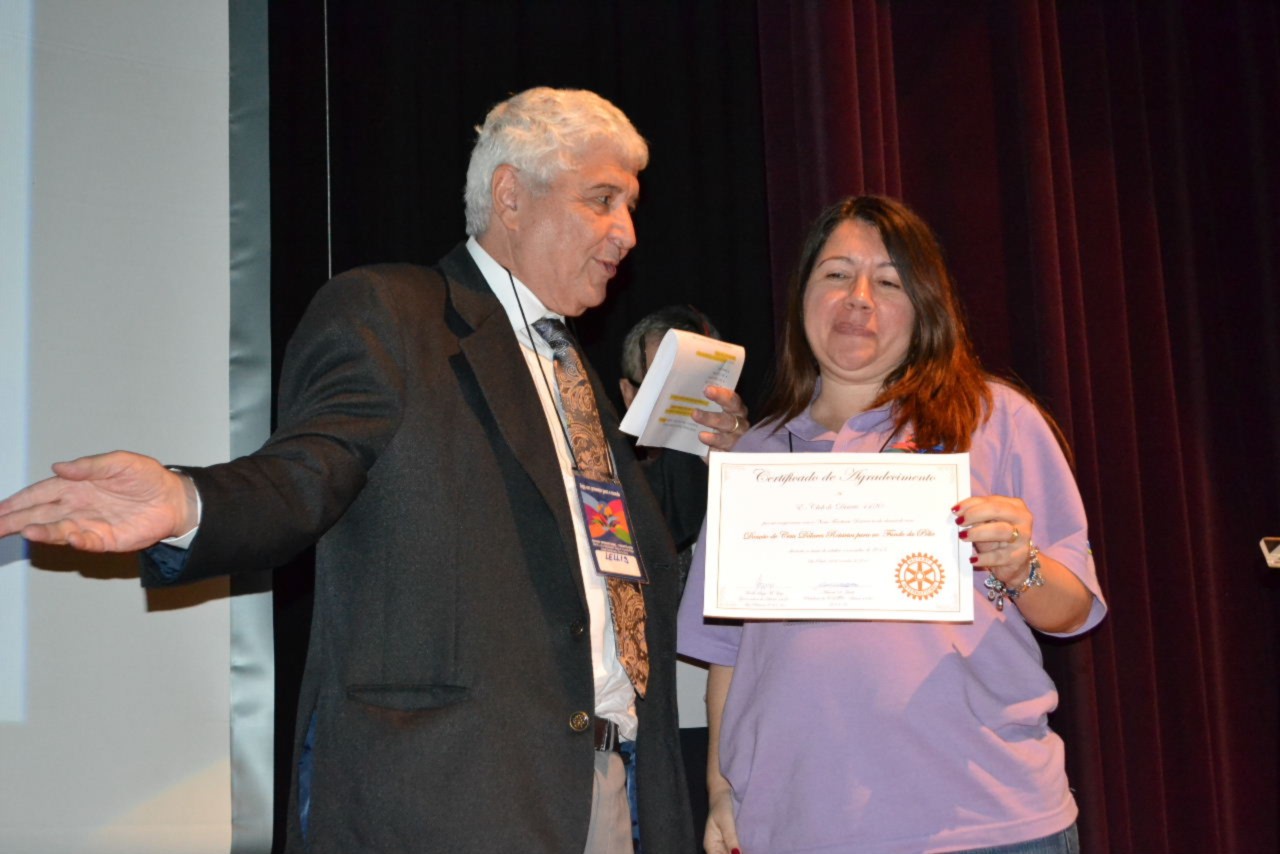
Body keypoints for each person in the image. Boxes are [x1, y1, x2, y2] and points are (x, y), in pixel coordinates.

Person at [0, 87, 749, 854]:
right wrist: (189, 501)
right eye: (602, 200)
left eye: (630, 207)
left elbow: (619, 553)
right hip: (447, 801)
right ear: (511, 196)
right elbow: (305, 474)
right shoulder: (391, 315)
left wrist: (715, 460)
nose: (626, 233)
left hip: (608, 793)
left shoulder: (574, 370)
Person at [678, 195, 1106, 854]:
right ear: (802, 296)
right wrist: (719, 790)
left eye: (888, 281)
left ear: (924, 307)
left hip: (986, 822)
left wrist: (1023, 568)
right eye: (836, 274)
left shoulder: (996, 419)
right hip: (798, 828)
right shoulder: (756, 454)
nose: (858, 298)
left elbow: (1072, 609)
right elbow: (729, 651)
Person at [618, 304, 725, 853]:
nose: (682, 405)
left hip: (732, 721)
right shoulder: (605, 484)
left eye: (697, 386)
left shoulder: (760, 466)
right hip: (644, 725)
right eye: (664, 386)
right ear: (629, 394)